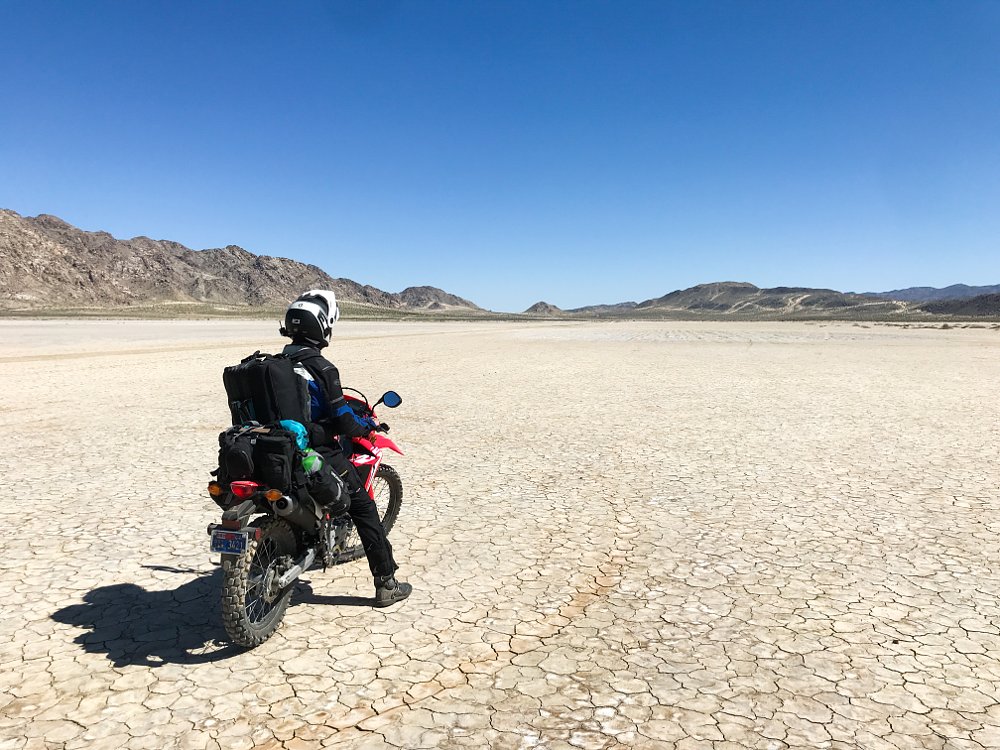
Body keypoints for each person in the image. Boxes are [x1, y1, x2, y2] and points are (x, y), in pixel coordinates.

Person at [279, 289, 412, 607]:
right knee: (364, 507)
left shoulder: (274, 365)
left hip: (272, 449)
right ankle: (386, 584)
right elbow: (342, 419)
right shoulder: (322, 369)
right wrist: (366, 427)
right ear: (322, 327)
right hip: (314, 452)